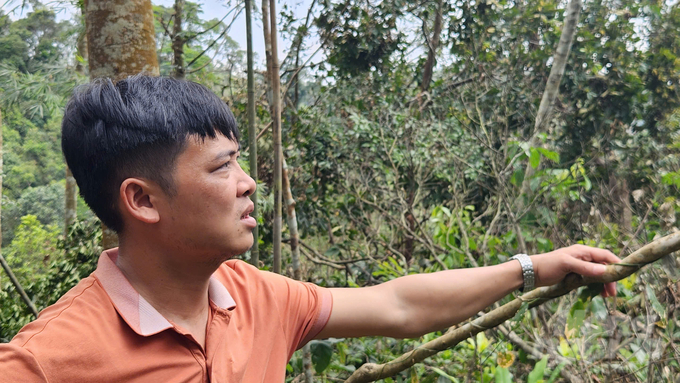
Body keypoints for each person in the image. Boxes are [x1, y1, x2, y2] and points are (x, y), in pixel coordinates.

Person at [0, 75, 620, 382]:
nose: (248, 183)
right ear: (142, 200)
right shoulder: (46, 362)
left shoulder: (255, 298)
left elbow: (398, 303)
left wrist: (535, 266)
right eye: (223, 168)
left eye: (241, 161)